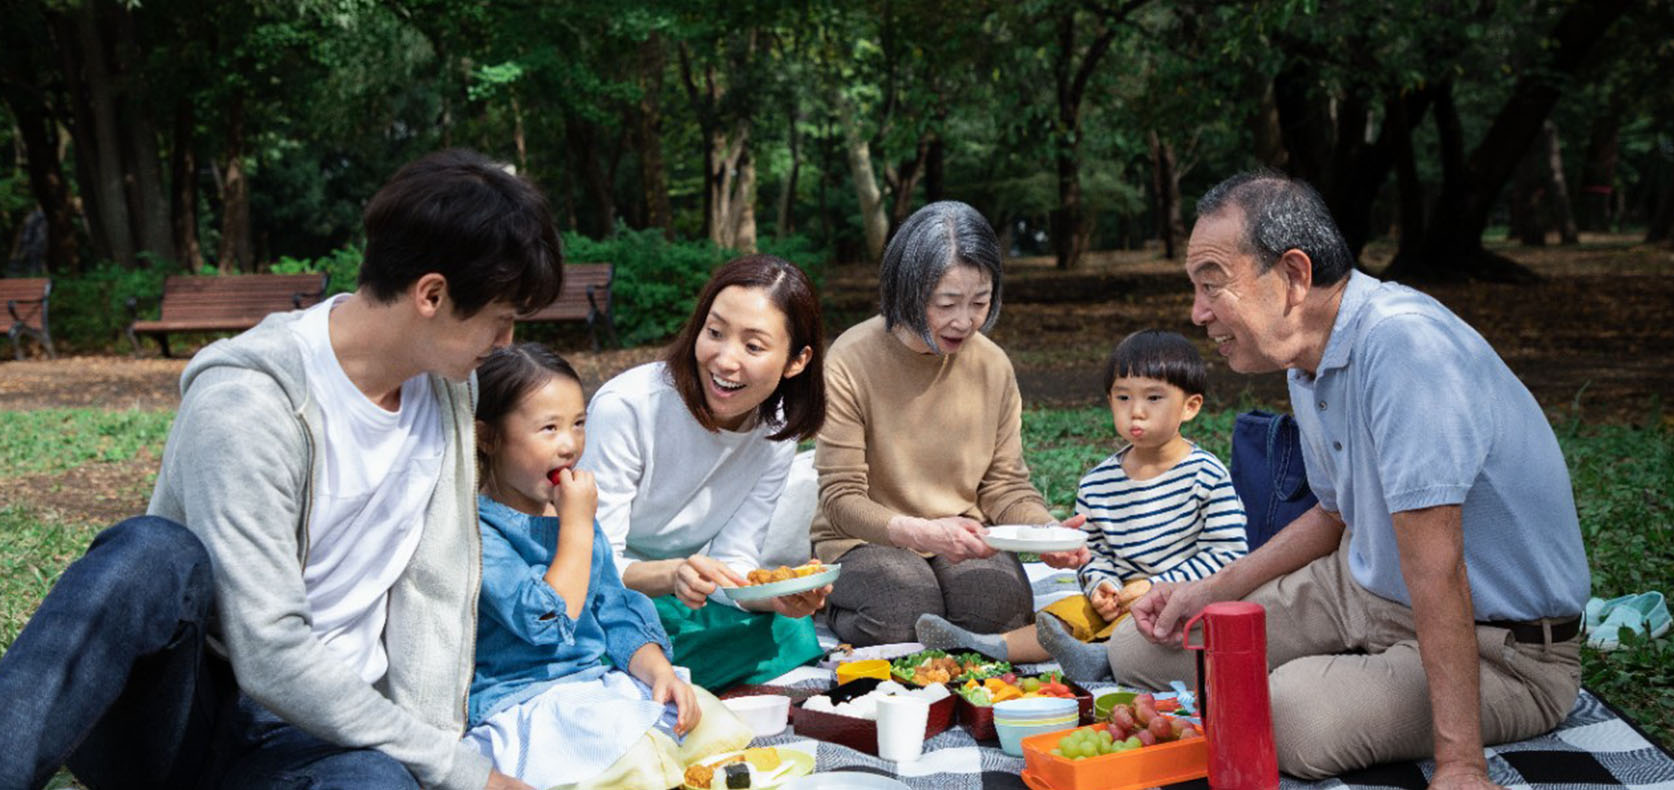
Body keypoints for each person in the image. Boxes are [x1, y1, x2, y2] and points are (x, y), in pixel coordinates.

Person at [0, 148, 562, 790]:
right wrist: (468, 775)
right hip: (185, 718)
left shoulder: (448, 394)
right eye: (501, 322)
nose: (505, 345)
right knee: (149, 553)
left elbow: (437, 593)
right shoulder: (250, 401)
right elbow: (267, 650)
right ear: (431, 294)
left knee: (378, 784)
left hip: (322, 738)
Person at [1109, 171, 1589, 787]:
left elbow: (1438, 568)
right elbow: (1336, 514)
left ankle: (1383, 692)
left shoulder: (1403, 346)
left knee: (1286, 717)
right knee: (1140, 649)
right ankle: (1353, 664)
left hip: (1505, 648)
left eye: (1212, 286)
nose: (1198, 313)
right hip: (1362, 591)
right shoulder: (1305, 354)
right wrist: (1211, 591)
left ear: (1293, 276)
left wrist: (1462, 767)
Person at [465, 344, 751, 789]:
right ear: (488, 436)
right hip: (524, 698)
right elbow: (543, 620)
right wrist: (575, 527)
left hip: (594, 685)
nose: (570, 445)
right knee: (632, 758)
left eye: (578, 424)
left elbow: (614, 610)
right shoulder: (481, 529)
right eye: (548, 428)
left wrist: (660, 674)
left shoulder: (573, 510)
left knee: (709, 724)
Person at [814, 200, 1087, 649]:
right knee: (901, 612)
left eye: (980, 302)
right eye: (946, 303)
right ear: (906, 290)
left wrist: (1044, 533)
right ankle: (834, 602)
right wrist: (920, 532)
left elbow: (1006, 486)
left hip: (964, 534)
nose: (965, 321)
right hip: (866, 538)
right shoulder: (850, 359)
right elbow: (841, 499)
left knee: (994, 613)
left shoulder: (992, 365)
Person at [915, 329, 1248, 682]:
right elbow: (1093, 553)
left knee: (1159, 625)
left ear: (1190, 407)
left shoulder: (1206, 474)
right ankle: (985, 646)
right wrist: (1101, 586)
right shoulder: (1098, 483)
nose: (1136, 412)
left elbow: (1228, 554)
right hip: (1120, 598)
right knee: (1067, 613)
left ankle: (1100, 658)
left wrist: (1157, 587)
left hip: (1183, 599)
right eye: (1123, 397)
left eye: (1154, 398)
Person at [578, 254, 831, 691]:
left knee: (791, 628)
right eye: (714, 333)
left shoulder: (777, 431)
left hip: (684, 591)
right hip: (604, 591)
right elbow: (593, 565)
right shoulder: (629, 407)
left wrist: (776, 597)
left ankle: (653, 676)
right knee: (603, 638)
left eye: (753, 346)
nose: (725, 360)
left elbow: (734, 560)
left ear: (797, 360)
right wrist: (671, 575)